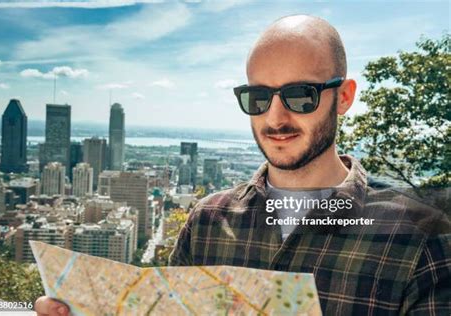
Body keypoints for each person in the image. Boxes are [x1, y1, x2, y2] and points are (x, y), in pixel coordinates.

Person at [35, 15, 450, 316]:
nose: (275, 118)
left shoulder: (421, 237)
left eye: (299, 95)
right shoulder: (209, 222)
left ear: (342, 97)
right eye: (257, 98)